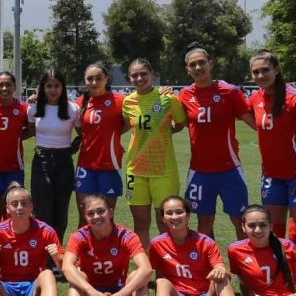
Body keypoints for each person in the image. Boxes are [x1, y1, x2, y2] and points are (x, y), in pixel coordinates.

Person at [249, 50, 296, 270]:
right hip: (272, 177)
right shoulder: (255, 98)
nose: (261, 75)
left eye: (265, 70)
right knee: (274, 235)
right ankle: (280, 284)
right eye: (256, 72)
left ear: (277, 70)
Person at [149, 196, 247, 296]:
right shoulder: (156, 244)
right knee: (161, 282)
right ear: (163, 218)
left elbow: (220, 266)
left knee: (222, 278)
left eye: (179, 212)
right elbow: (156, 273)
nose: (174, 217)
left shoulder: (205, 242)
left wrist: (221, 270)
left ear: (188, 216)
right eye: (169, 213)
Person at [177, 43, 255, 241]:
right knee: (204, 224)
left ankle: (244, 267)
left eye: (201, 62)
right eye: (192, 65)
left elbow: (254, 122)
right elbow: (179, 124)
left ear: (210, 64)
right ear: (187, 69)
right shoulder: (184, 95)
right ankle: (209, 268)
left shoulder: (230, 92)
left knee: (240, 222)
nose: (197, 68)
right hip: (200, 171)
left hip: (230, 170)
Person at [61, 195, 153, 296]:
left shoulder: (126, 235)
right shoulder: (79, 236)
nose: (96, 216)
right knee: (77, 277)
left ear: (110, 212)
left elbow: (147, 269)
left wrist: (123, 294)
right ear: (85, 217)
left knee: (137, 277)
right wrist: (93, 292)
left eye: (100, 211)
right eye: (90, 213)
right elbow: (66, 267)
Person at [121, 58, 186, 247]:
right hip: (136, 170)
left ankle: (165, 266)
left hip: (163, 171)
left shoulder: (168, 98)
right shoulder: (127, 101)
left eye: (143, 74)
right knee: (140, 223)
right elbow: (125, 125)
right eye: (134, 75)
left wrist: (162, 132)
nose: (139, 78)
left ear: (152, 75)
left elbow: (181, 124)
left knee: (164, 222)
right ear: (129, 78)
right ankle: (146, 266)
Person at [27, 69, 81, 242]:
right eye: (48, 86)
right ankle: (43, 253)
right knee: (42, 210)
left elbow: (83, 133)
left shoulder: (72, 109)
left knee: (60, 210)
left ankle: (55, 254)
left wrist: (74, 146)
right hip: (41, 161)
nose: (53, 90)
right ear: (42, 88)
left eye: (57, 85)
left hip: (64, 162)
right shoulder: (34, 107)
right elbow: (29, 131)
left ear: (63, 87)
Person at [74, 62, 126, 225]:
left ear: (106, 79)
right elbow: (80, 130)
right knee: (85, 215)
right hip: (85, 166)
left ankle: (108, 250)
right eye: (90, 79)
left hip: (110, 166)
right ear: (85, 81)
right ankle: (83, 250)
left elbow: (128, 123)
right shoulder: (79, 103)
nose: (94, 82)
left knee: (107, 217)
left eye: (98, 78)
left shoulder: (120, 100)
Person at [0, 71, 30, 232]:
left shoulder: (23, 108)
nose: (4, 88)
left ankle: (12, 248)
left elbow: (31, 130)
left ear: (14, 87)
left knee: (13, 212)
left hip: (14, 168)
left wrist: (14, 137)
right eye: (0, 84)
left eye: (8, 84)